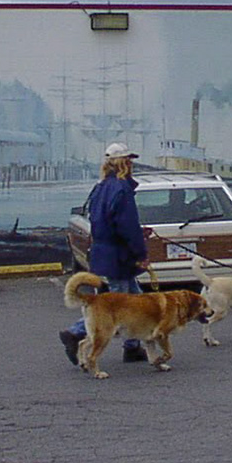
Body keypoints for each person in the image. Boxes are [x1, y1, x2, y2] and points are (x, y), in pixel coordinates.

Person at [59, 142, 150, 365]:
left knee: (134, 299)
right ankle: (75, 332)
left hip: (106, 251)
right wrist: (140, 253)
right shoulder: (121, 189)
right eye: (129, 160)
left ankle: (132, 346)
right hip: (119, 255)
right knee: (115, 305)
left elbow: (101, 222)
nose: (132, 164)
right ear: (124, 163)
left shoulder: (101, 187)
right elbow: (127, 226)